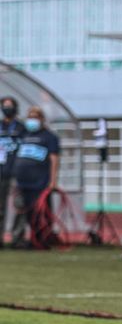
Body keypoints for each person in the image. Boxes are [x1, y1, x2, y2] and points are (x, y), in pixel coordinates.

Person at [10, 106, 59, 248]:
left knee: (41, 212)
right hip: (23, 182)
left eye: (35, 117)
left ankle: (42, 240)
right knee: (28, 213)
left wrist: (53, 181)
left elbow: (54, 159)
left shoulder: (49, 137)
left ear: (42, 119)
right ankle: (31, 239)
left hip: (40, 182)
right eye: (30, 117)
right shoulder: (24, 135)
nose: (32, 120)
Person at [0, 96, 26, 248]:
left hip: (18, 172)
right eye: (5, 105)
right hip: (1, 172)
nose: (7, 108)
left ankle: (17, 238)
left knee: (19, 205)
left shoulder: (22, 128)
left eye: (10, 105)